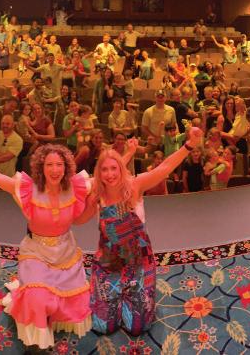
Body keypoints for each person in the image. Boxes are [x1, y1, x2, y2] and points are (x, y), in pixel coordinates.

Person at [0, 134, 91, 349]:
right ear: (41, 168)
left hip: (66, 253)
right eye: (49, 164)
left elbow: (109, 177)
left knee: (75, 301)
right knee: (37, 299)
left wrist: (125, 157)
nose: (55, 170)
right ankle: (37, 342)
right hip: (35, 252)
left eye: (59, 164)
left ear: (66, 167)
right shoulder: (27, 189)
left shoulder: (75, 187)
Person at [75, 127, 203, 335]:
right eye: (104, 170)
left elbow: (165, 167)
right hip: (108, 262)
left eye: (114, 168)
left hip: (138, 262)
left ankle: (136, 298)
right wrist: (70, 203)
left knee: (137, 327)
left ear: (121, 169)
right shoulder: (96, 195)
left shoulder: (136, 185)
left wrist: (188, 146)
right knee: (103, 326)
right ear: (98, 173)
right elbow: (78, 220)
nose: (110, 174)